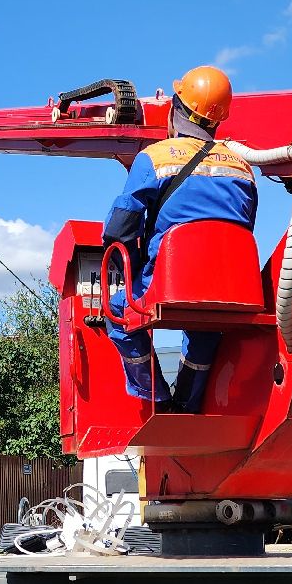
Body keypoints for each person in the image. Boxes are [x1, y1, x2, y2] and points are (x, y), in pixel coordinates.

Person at [101, 65, 258, 412]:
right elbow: (243, 227)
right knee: (205, 331)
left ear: (174, 107)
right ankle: (187, 403)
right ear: (217, 122)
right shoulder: (243, 168)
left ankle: (155, 397)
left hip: (171, 283)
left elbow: (119, 229)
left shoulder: (153, 159)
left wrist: (131, 266)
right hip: (230, 289)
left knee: (117, 313)